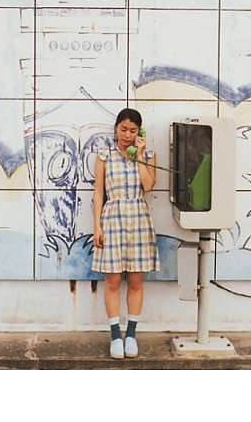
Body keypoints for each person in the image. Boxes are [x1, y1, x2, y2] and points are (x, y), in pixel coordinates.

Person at [92, 107, 159, 359]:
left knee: (135, 281)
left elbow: (148, 185)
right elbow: (99, 192)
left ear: (140, 132)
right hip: (112, 218)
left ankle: (131, 334)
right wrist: (97, 226)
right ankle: (115, 336)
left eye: (133, 130)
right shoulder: (104, 156)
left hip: (138, 217)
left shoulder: (148, 155)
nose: (127, 135)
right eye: (123, 129)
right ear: (116, 129)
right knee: (111, 282)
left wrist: (139, 155)